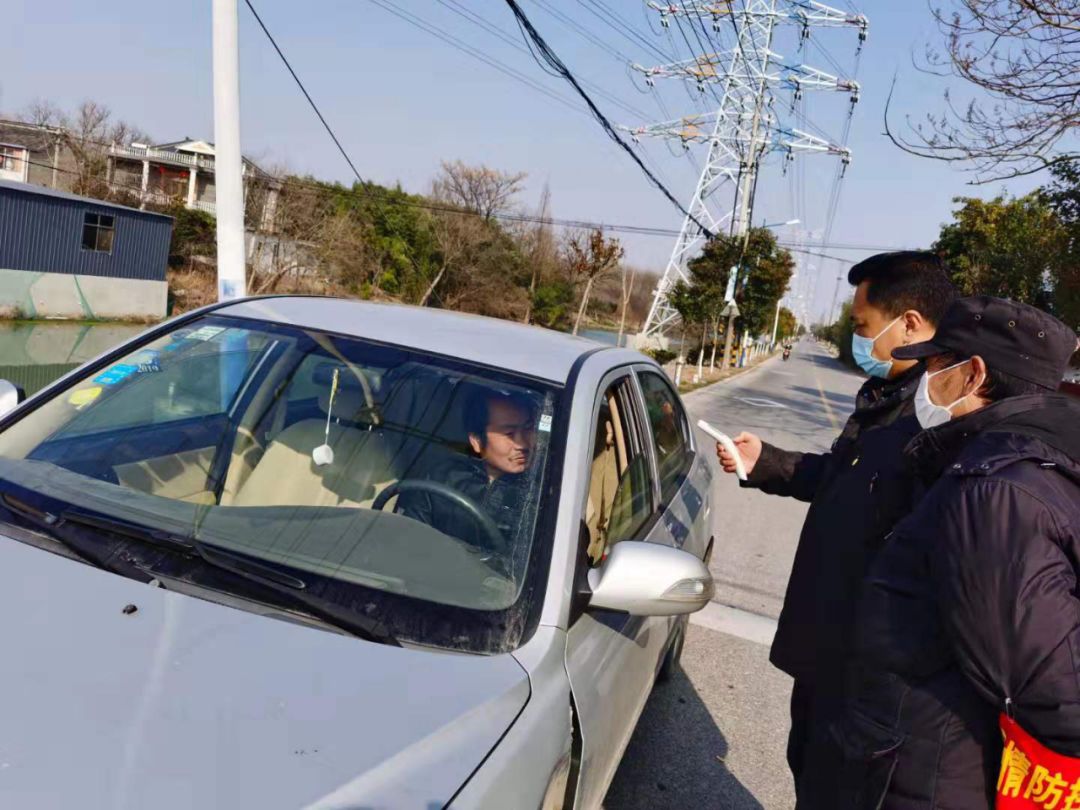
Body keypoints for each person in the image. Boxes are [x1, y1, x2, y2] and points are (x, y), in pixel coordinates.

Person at [822, 297, 1080, 810]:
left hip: (930, 776)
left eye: (936, 365)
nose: (923, 378)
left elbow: (1054, 692)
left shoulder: (998, 492)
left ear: (973, 375)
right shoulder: (1015, 461)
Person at [715, 251, 957, 798]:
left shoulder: (935, 418)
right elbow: (845, 477)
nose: (858, 339)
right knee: (808, 764)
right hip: (831, 649)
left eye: (863, 326)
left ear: (910, 324)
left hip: (865, 668)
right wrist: (768, 463)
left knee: (834, 785)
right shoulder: (892, 396)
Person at [397, 387, 537, 554]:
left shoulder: (542, 492)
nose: (522, 445)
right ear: (477, 441)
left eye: (528, 428)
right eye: (509, 433)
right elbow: (408, 543)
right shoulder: (440, 479)